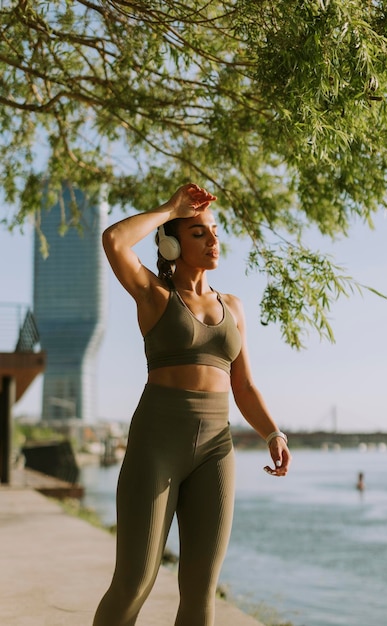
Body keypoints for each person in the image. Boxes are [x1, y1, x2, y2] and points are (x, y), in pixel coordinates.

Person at [92, 183, 291, 626]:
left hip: (216, 448)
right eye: (198, 232)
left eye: (214, 231)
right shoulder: (154, 295)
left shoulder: (233, 306)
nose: (213, 240)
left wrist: (272, 432)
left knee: (201, 590)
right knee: (135, 581)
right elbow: (114, 241)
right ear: (172, 243)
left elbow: (244, 385)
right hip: (157, 442)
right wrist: (168, 209)